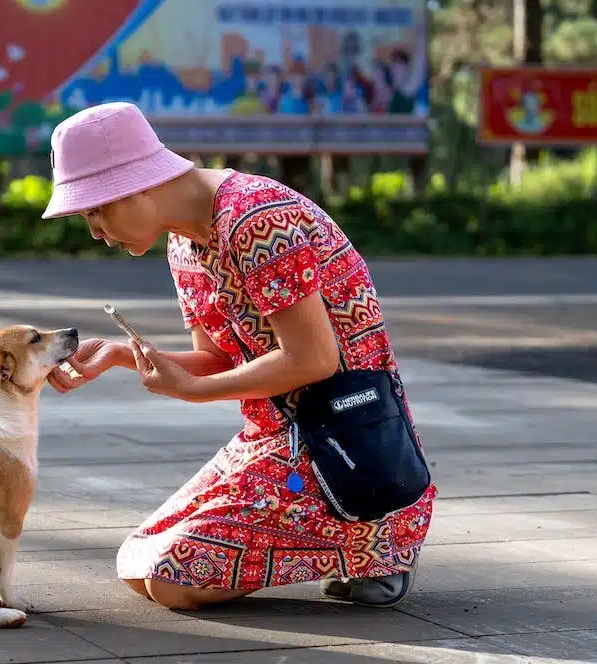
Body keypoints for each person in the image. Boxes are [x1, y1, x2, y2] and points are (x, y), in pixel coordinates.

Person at [40, 102, 437, 611]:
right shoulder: (183, 245)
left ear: (136, 182)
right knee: (138, 561)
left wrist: (193, 391)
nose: (96, 231)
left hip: (345, 445)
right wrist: (119, 354)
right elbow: (220, 360)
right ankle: (354, 549)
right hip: (277, 436)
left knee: (170, 581)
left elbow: (315, 360)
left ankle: (378, 542)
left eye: (97, 209)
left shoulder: (255, 218)